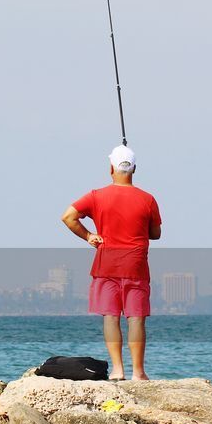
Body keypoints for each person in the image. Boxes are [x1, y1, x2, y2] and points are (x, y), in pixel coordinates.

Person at [61, 145, 161, 380]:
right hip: (136, 265)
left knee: (111, 316)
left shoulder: (96, 196)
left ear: (111, 168)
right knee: (135, 318)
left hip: (106, 265)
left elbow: (68, 216)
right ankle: (139, 372)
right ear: (134, 169)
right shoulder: (148, 199)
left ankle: (118, 370)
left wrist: (88, 236)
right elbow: (155, 234)